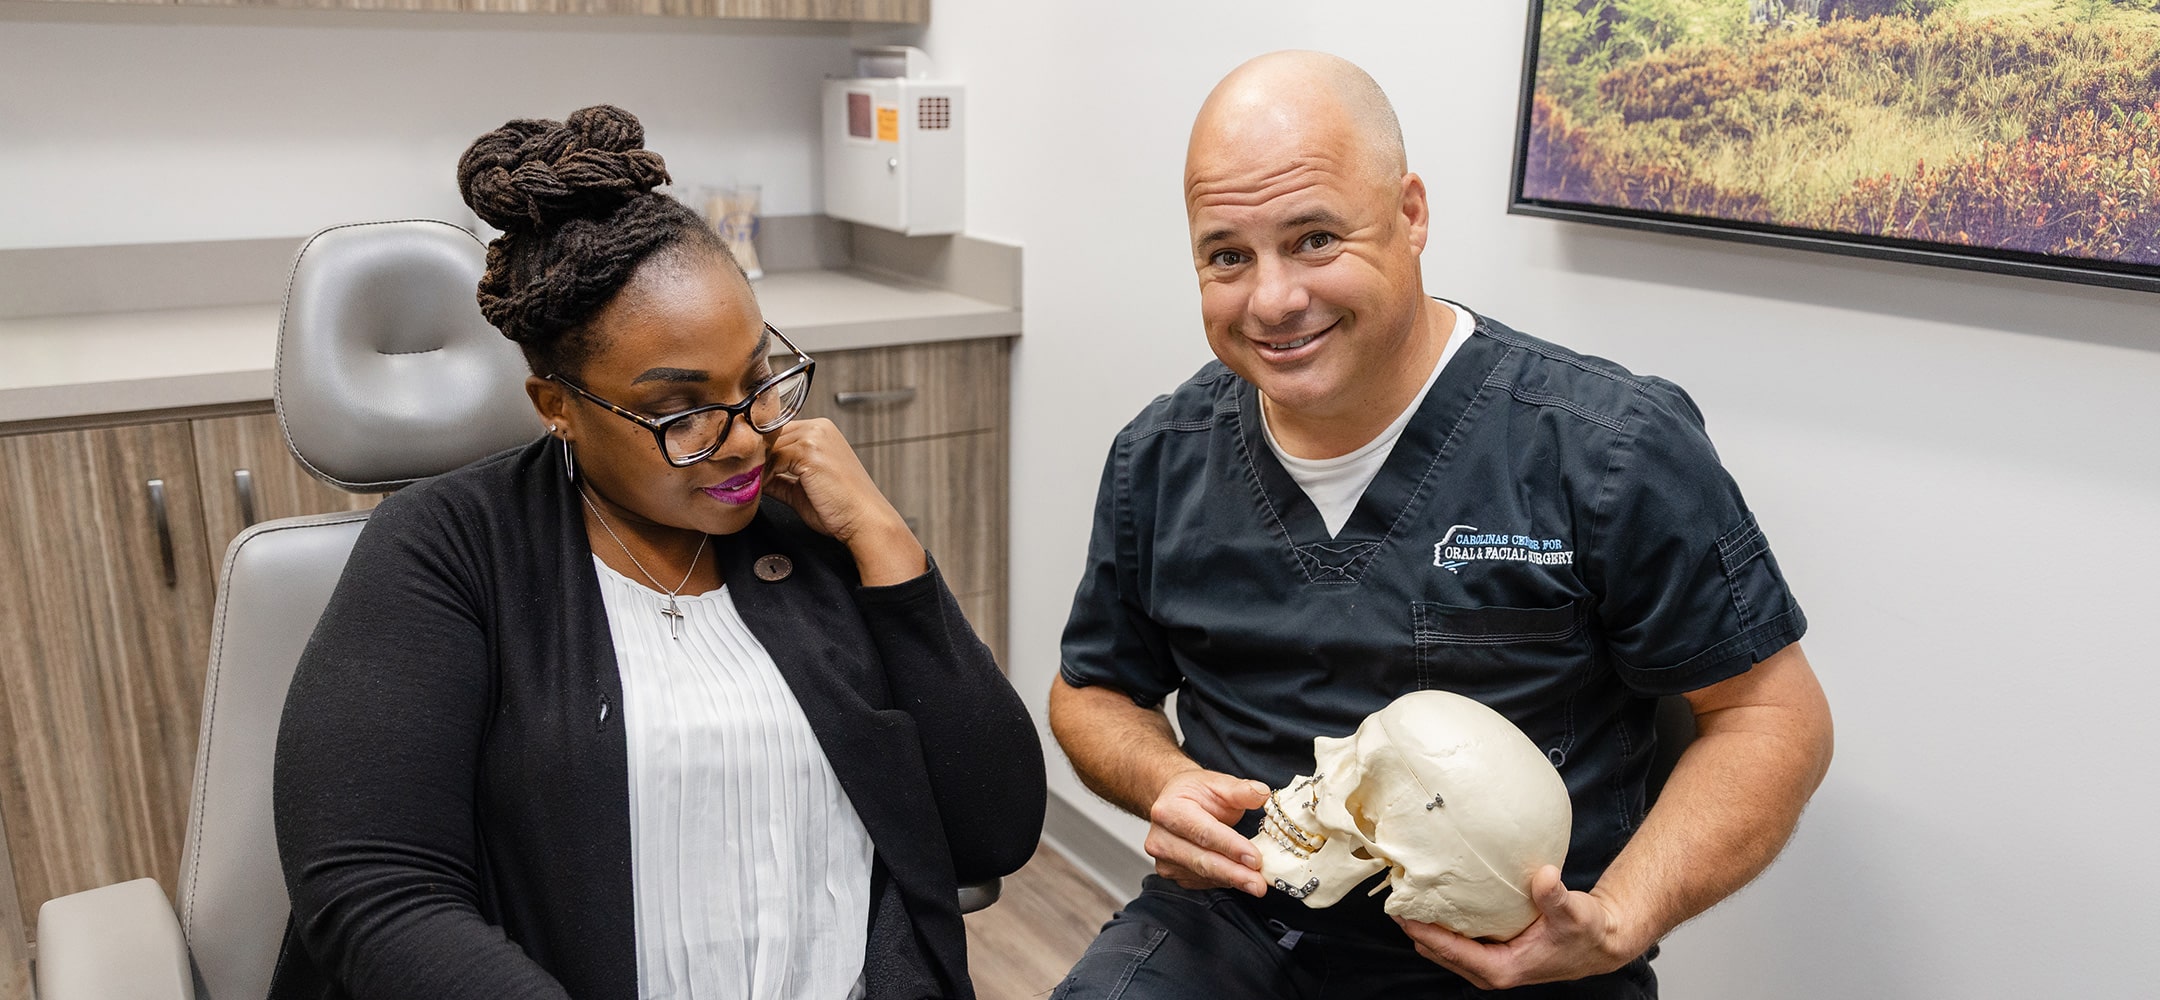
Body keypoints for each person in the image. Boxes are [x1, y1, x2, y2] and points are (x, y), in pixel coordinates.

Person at [1049, 52, 1833, 998]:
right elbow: (1093, 692)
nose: (1273, 301)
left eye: (1314, 239)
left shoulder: (1605, 451)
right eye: (1227, 256)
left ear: (1411, 214)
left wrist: (1624, 915)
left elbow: (1768, 716)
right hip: (1237, 919)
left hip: (1517, 954)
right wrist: (1162, 780)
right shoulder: (1161, 459)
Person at [271, 105, 1045, 1000]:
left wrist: (891, 550)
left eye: (758, 380)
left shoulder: (808, 529)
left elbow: (995, 833)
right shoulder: (448, 552)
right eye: (683, 412)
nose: (748, 439)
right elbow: (377, 895)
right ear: (555, 405)